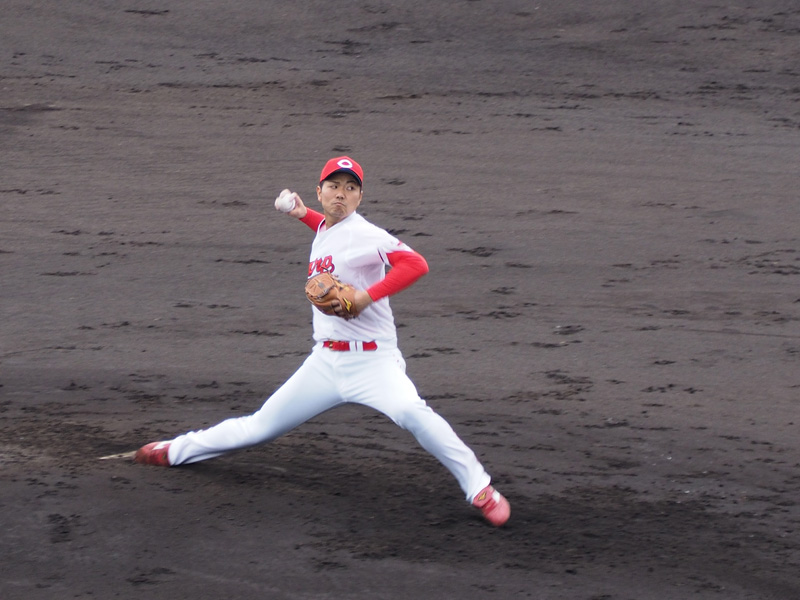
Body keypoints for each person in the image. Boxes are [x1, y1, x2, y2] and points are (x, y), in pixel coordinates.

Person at [134, 156, 510, 526]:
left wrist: (365, 296)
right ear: (320, 191)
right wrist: (301, 214)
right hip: (325, 363)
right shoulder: (327, 229)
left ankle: (481, 489)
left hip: (374, 362)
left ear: (360, 197)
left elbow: (416, 264)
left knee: (413, 413)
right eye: (334, 186)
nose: (341, 194)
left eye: (350, 188)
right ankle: (175, 450)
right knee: (259, 427)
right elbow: (328, 229)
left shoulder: (366, 234)